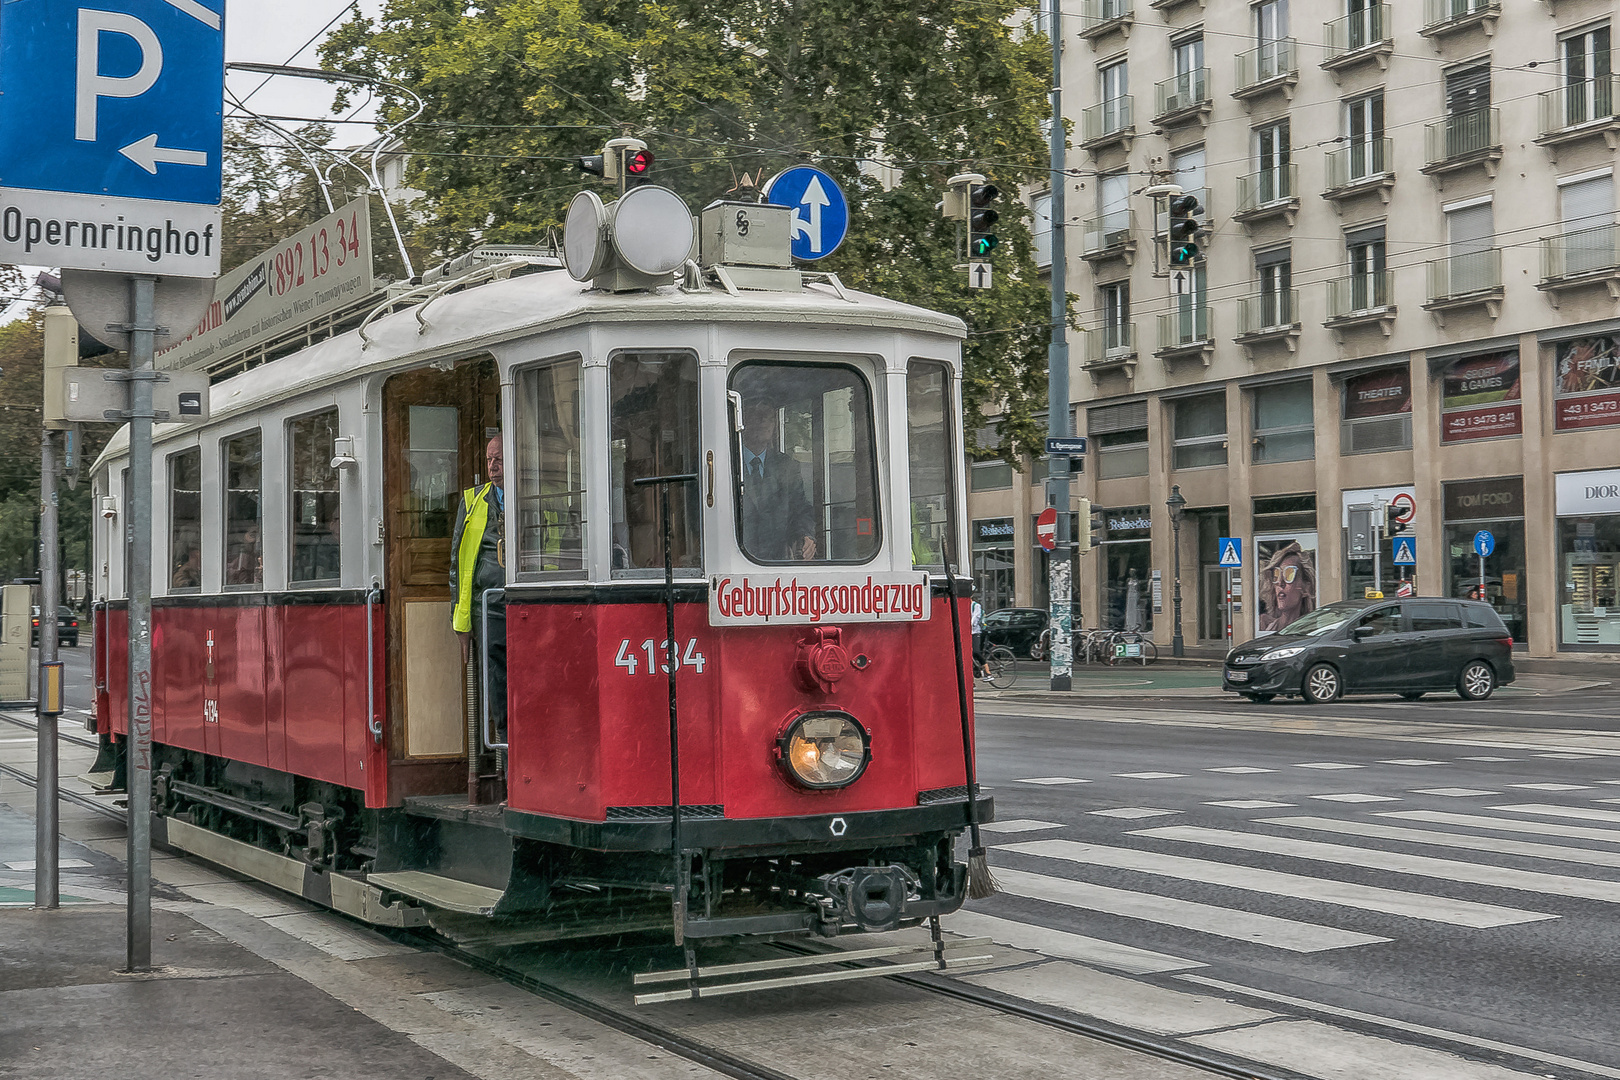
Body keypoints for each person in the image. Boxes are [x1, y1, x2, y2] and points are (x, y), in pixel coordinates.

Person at [451, 434, 507, 741]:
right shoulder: (472, 501)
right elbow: (457, 565)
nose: (493, 466)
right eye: (489, 460)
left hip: (531, 604)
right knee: (497, 689)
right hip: (488, 609)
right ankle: (508, 756)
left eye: (499, 459)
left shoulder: (537, 495)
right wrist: (461, 623)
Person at [738, 397, 817, 561]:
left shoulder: (786, 466)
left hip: (777, 564)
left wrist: (805, 535)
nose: (763, 422)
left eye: (769, 417)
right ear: (742, 421)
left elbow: (799, 508)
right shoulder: (728, 462)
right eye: (757, 416)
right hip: (736, 559)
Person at [1259, 540, 1317, 632]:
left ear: (1306, 588)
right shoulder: (1265, 627)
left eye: (1289, 574)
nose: (1280, 583)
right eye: (1277, 574)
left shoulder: (1312, 630)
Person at [970, 592, 985, 679]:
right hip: (967, 633)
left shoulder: (976, 606)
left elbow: (975, 618)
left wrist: (969, 625)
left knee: (975, 652)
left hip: (975, 632)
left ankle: (987, 672)